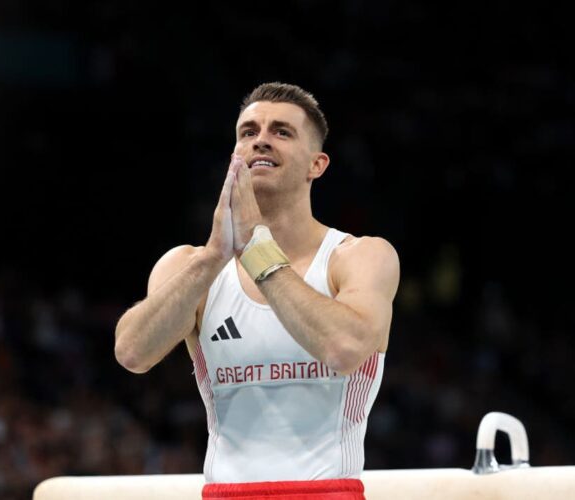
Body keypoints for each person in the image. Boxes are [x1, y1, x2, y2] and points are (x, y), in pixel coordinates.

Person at [114, 82, 400, 499]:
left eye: (281, 132)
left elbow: (343, 349)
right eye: (248, 132)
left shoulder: (358, 257)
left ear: (317, 164)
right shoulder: (190, 266)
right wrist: (214, 257)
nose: (261, 140)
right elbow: (132, 353)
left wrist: (258, 255)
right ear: (234, 156)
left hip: (325, 491)